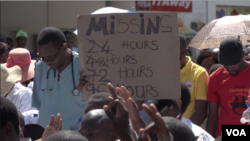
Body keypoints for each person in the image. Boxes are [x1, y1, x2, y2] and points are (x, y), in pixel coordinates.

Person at [32, 27, 89, 130]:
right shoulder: (40, 66)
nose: (47, 62)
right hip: (46, 135)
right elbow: (38, 103)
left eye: (50, 57)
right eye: (42, 57)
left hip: (75, 136)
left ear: (64, 48)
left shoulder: (84, 65)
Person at [206, 37, 250, 138]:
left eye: (234, 62)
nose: (230, 67)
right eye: (226, 63)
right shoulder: (215, 78)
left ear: (242, 55)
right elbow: (212, 116)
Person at [179, 35, 208, 126]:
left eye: (176, 57)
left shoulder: (199, 73)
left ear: (185, 52)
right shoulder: (161, 71)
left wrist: (183, 132)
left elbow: (201, 112)